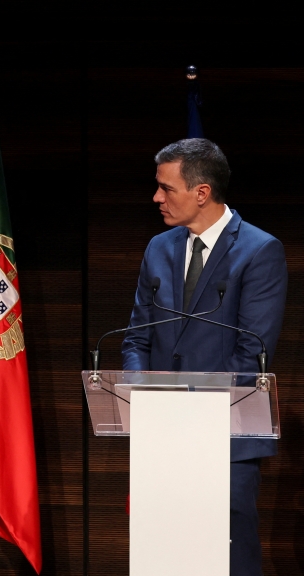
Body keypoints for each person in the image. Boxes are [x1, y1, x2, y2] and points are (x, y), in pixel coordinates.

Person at [120, 138, 287, 576]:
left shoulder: (259, 251)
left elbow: (251, 354)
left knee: (227, 561)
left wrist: (182, 411)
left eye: (166, 188)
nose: (156, 197)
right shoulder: (159, 248)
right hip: (162, 437)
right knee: (163, 561)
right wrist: (143, 394)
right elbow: (136, 338)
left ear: (201, 192)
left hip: (224, 439)